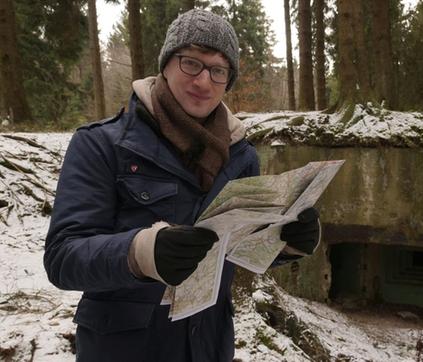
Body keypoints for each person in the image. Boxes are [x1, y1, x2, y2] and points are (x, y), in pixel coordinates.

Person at [44, 9, 320, 362]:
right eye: (191, 63)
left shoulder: (241, 156)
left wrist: (285, 242)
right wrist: (141, 252)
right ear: (166, 63)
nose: (203, 81)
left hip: (208, 344)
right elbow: (63, 257)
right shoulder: (101, 144)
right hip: (123, 348)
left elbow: (240, 245)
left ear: (228, 80)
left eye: (218, 70)